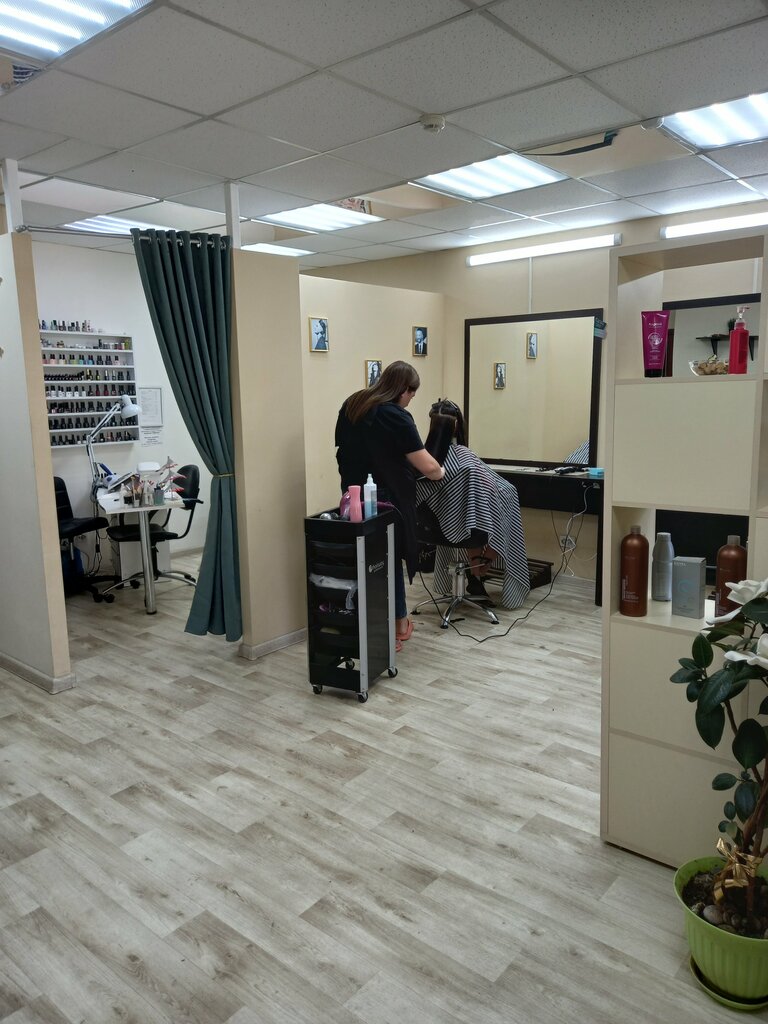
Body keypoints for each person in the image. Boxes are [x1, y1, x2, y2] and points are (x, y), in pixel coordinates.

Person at [335, 361, 444, 650]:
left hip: (352, 496)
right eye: (412, 393)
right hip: (385, 498)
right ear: (403, 389)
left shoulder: (353, 404)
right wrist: (440, 471)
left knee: (364, 561)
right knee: (388, 561)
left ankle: (375, 626)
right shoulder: (395, 415)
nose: (411, 399)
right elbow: (428, 466)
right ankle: (395, 627)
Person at [419, 398, 530, 610]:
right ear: (456, 425)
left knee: (470, 513)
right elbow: (492, 487)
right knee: (499, 509)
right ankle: (480, 566)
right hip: (467, 530)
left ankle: (475, 573)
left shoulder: (423, 459)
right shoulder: (465, 457)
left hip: (435, 529)